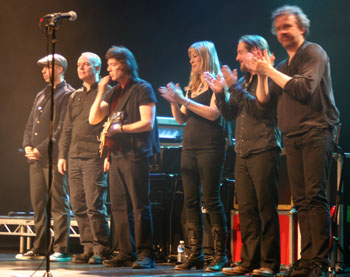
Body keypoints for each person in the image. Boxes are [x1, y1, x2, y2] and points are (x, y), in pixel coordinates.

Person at [249, 5, 340, 277]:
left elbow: (303, 88)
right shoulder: (282, 66)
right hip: (293, 137)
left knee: (315, 197)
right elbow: (265, 101)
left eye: (287, 26)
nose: (282, 32)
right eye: (278, 29)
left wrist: (270, 71)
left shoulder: (313, 52)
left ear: (301, 27)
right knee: (301, 200)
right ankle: (307, 258)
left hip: (316, 132)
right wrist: (263, 73)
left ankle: (319, 262)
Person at [203, 35, 281, 276]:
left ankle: (269, 263)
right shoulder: (245, 82)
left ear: (256, 51)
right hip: (244, 152)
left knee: (265, 209)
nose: (236, 57)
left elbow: (259, 108)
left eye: (240, 51)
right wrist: (219, 93)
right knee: (246, 209)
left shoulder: (269, 77)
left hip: (264, 149)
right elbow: (228, 114)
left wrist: (233, 87)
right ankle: (249, 261)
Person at [159, 41, 229, 272]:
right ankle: (194, 253)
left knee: (211, 199)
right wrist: (174, 102)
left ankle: (220, 255)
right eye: (190, 57)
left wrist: (183, 100)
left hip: (210, 147)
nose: (191, 61)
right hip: (188, 147)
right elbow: (181, 119)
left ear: (206, 57)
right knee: (190, 201)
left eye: (195, 57)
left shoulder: (216, 83)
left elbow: (212, 114)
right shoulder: (192, 86)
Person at [89, 46, 159, 269]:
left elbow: (148, 122)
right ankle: (125, 252)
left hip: (136, 154)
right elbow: (94, 119)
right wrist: (100, 91)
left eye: (111, 64)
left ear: (125, 64)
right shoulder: (114, 91)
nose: (108, 68)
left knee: (139, 205)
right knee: (118, 206)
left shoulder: (142, 88)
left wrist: (121, 129)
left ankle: (145, 253)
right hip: (117, 155)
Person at [19, 54, 74, 262]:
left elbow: (61, 127)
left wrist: (41, 149)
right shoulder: (41, 94)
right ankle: (39, 246)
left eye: (47, 67)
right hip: (35, 158)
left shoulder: (67, 94)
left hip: (52, 157)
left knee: (58, 203)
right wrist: (26, 145)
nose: (43, 71)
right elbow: (30, 123)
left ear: (59, 68)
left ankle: (61, 247)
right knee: (38, 204)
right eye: (42, 68)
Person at [57, 52, 111, 264]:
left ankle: (101, 249)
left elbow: (109, 126)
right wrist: (62, 155)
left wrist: (107, 154)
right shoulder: (75, 95)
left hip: (93, 156)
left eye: (86, 64)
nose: (80, 68)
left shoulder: (107, 92)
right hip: (75, 156)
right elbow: (67, 127)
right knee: (78, 204)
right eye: (79, 64)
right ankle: (87, 247)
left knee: (94, 204)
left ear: (97, 69)